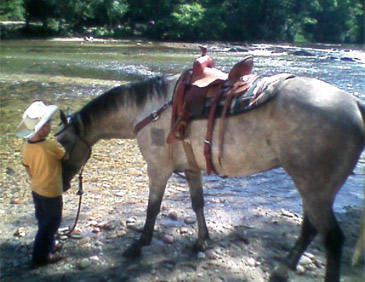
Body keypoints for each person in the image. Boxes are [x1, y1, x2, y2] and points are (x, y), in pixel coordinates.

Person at [16, 100, 68, 266]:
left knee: (42, 220)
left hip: (36, 189)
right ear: (44, 127)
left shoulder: (26, 147)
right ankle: (41, 256)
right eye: (50, 123)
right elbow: (65, 156)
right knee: (51, 223)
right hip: (52, 192)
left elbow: (27, 168)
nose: (51, 125)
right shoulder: (52, 145)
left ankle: (49, 245)